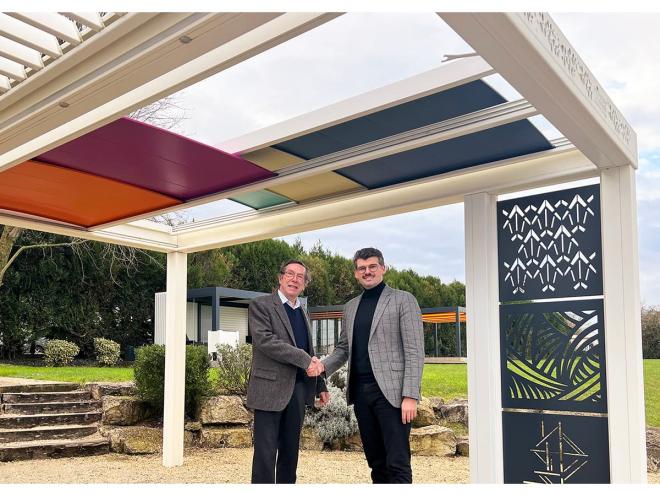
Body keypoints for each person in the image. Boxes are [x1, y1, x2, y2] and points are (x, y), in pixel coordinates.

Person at [308, 247, 424, 483]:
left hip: (392, 396)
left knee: (398, 463)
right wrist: (322, 367)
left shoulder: (404, 300)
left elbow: (414, 351)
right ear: (356, 273)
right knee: (376, 463)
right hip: (361, 395)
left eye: (372, 266)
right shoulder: (350, 307)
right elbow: (343, 348)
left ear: (383, 268)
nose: (367, 271)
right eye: (362, 268)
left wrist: (410, 395)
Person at [247, 259, 329, 484]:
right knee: (265, 454)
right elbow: (266, 341)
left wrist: (320, 384)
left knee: (290, 452)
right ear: (280, 277)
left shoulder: (302, 311)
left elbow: (309, 350)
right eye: (290, 274)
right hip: (269, 389)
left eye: (300, 276)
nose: (294, 279)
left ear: (305, 283)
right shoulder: (261, 305)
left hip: (298, 390)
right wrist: (305, 360)